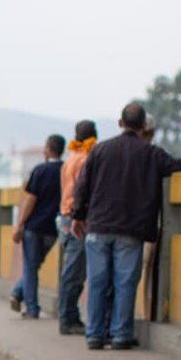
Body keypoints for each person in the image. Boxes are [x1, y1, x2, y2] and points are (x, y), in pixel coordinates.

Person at [72, 103, 181, 350]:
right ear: (144, 125)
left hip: (98, 226)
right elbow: (179, 168)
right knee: (125, 282)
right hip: (131, 230)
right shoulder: (152, 153)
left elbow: (81, 186)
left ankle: (94, 334)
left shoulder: (100, 150)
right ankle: (121, 334)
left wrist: (78, 216)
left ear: (120, 123)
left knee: (98, 282)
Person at [8, 135, 65, 319]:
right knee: (34, 265)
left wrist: (19, 225)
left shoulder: (40, 170)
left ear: (48, 149)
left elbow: (31, 200)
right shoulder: (66, 171)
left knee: (30, 267)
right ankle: (17, 293)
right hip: (53, 229)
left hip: (34, 227)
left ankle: (32, 308)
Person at [56, 120, 97, 336]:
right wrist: (79, 217)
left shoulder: (70, 159)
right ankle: (68, 318)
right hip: (76, 220)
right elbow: (82, 192)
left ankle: (68, 316)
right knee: (74, 272)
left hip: (64, 216)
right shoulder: (84, 160)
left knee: (72, 270)